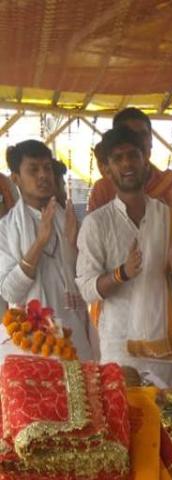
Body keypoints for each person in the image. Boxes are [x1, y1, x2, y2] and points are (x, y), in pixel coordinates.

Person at [85, 107, 172, 420]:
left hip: (171, 352)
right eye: (118, 158)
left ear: (145, 161)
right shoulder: (96, 224)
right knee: (130, 438)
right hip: (120, 350)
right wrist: (121, 273)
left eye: (134, 155)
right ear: (108, 169)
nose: (127, 164)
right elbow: (87, 287)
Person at [0, 141, 95, 359]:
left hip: (74, 335)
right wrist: (40, 241)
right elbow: (10, 292)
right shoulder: (5, 230)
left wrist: (75, 246)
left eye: (47, 168)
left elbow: (87, 282)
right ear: (16, 178)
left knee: (81, 390)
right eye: (33, 169)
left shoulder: (68, 219)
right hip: (31, 341)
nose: (43, 175)